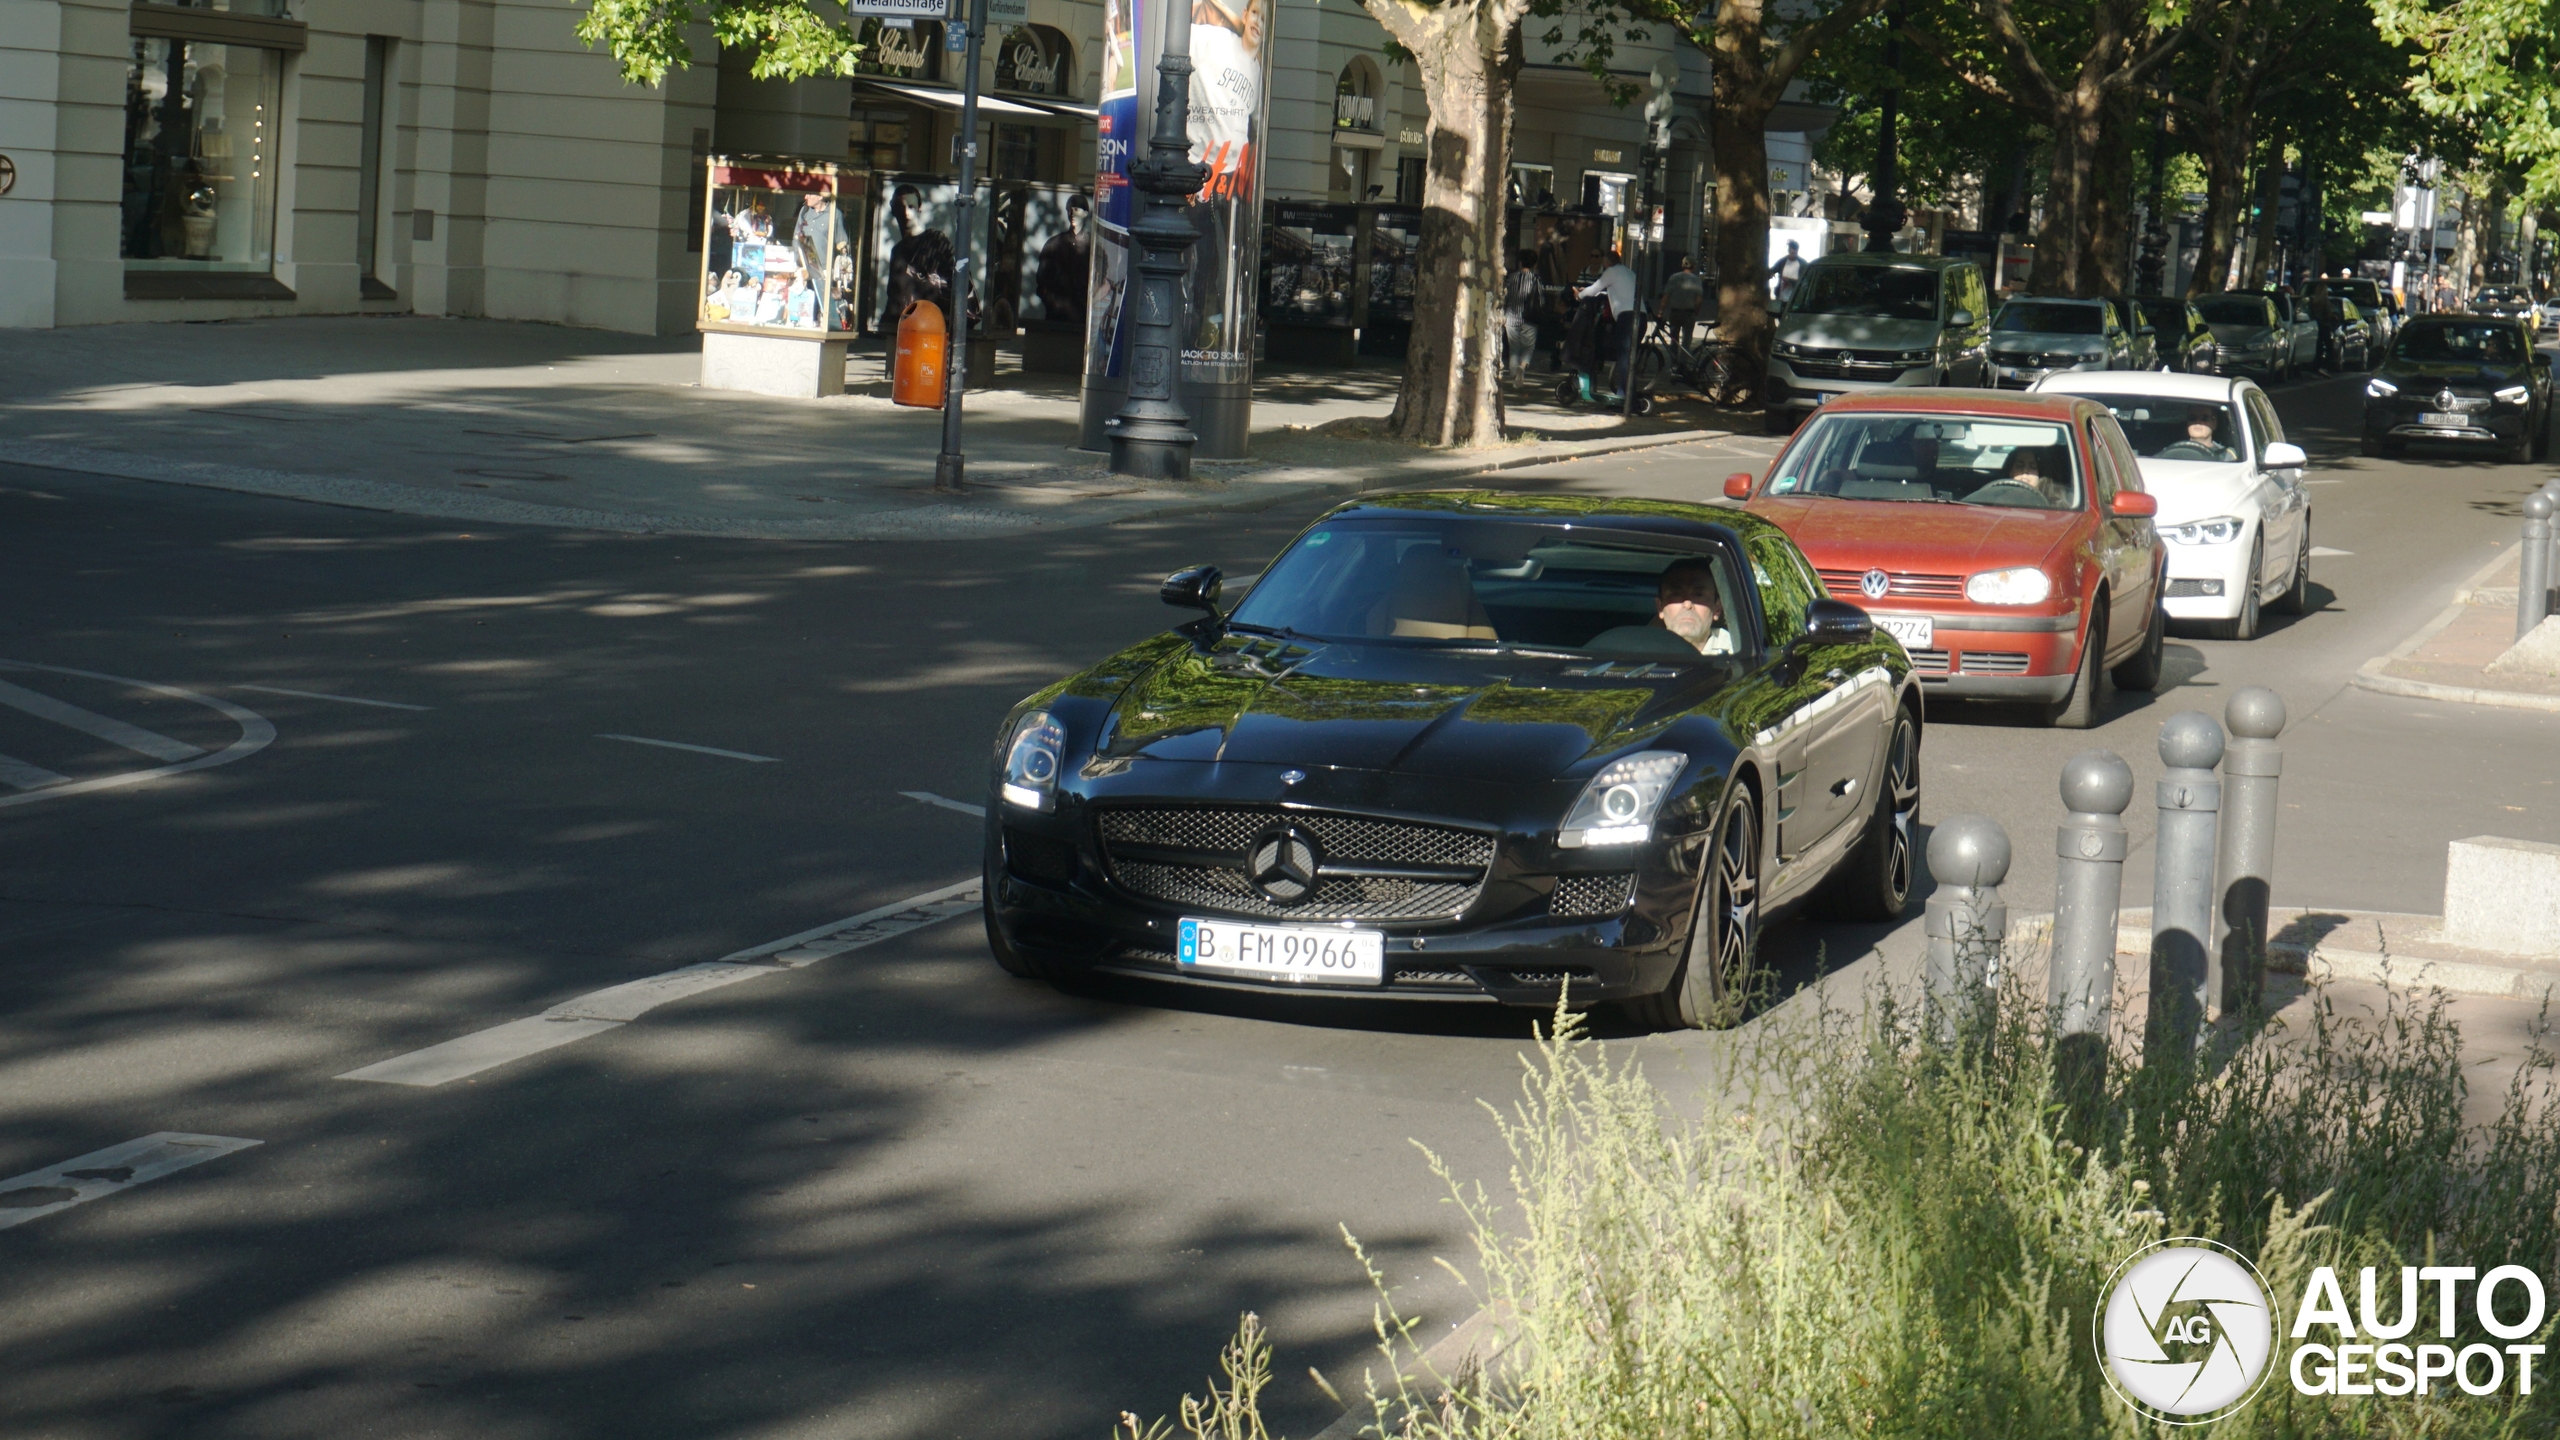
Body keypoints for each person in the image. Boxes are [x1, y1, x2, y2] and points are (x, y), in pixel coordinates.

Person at [1576, 248, 1640, 393]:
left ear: (1606, 262)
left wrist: (1579, 296)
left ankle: (1628, 398)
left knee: (1624, 357)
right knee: (1629, 357)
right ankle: (1624, 393)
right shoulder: (1628, 272)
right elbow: (1608, 290)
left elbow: (1594, 288)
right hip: (1640, 316)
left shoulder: (1611, 272)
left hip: (1627, 317)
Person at [1654, 558, 1735, 655]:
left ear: (1717, 608)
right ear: (1660, 607)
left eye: (1698, 595)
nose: (1687, 605)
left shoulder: (1736, 651)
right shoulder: (1644, 652)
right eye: (1676, 594)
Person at [1501, 250, 1542, 379]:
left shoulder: (1511, 277)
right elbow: (1541, 299)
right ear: (1534, 264)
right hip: (1529, 318)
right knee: (1528, 347)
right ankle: (1522, 366)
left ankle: (1513, 374)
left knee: (1514, 349)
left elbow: (1505, 296)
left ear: (1520, 262)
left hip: (1511, 317)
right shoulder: (1535, 279)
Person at [1658, 255, 1707, 350]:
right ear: (1693, 266)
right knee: (1686, 340)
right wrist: (1696, 312)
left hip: (1675, 313)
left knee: (1674, 340)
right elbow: (1699, 299)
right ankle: (1683, 362)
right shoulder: (1696, 280)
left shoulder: (1674, 277)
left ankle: (1674, 362)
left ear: (1682, 265)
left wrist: (1660, 312)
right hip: (1689, 313)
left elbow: (1666, 296)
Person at [2160, 406, 2238, 461]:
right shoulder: (2170, 452)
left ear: (2214, 423)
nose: (2198, 422)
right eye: (2192, 418)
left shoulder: (2227, 455)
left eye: (2204, 418)